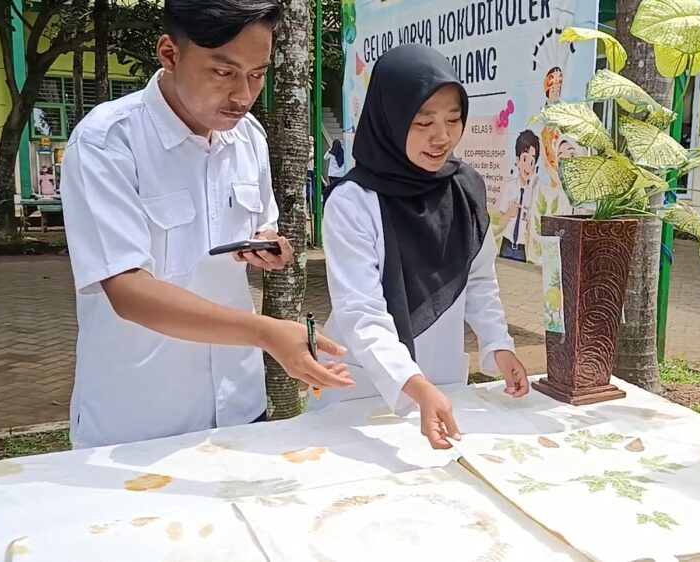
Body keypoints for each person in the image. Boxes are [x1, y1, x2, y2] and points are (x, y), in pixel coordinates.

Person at [60, 0, 352, 449]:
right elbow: (128, 290)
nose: (243, 95)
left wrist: (268, 245)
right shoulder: (107, 143)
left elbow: (263, 226)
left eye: (257, 74)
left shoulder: (249, 138)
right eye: (223, 72)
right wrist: (265, 332)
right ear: (170, 54)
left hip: (239, 405)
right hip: (138, 420)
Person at [315, 44, 529, 449]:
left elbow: (478, 279)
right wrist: (414, 384)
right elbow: (361, 311)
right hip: (361, 390)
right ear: (390, 119)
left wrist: (498, 345)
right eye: (422, 121)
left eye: (453, 119)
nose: (441, 137)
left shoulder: (465, 189)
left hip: (440, 384)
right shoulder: (353, 202)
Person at [497, 130, 541, 262]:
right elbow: (499, 223)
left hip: (521, 250)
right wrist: (509, 213)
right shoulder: (509, 188)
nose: (528, 166)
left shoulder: (532, 193)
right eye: (525, 159)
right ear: (517, 160)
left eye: (532, 162)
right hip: (506, 246)